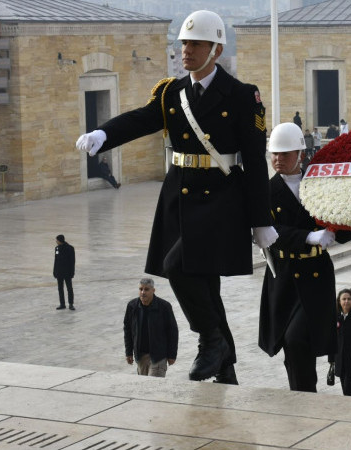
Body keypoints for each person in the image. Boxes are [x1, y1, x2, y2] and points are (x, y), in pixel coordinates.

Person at [75, 10, 277, 383]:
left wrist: (261, 219)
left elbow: (254, 159)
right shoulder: (172, 92)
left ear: (216, 49)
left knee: (175, 265)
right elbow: (140, 119)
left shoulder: (242, 95)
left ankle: (209, 339)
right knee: (206, 288)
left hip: (221, 199)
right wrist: (104, 134)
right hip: (179, 198)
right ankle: (225, 368)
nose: (186, 50)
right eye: (184, 43)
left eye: (196, 43)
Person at [259, 123, 351, 392]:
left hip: (316, 274)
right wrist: (308, 237)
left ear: (301, 154)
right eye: (274, 155)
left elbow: (341, 216)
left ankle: (304, 395)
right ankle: (303, 395)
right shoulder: (265, 191)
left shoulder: (318, 183)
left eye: (285, 154)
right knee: (292, 342)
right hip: (285, 274)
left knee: (301, 340)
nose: (278, 160)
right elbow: (266, 229)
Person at [123, 278, 179, 377]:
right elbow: (128, 330)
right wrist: (128, 352)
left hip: (158, 356)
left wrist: (172, 355)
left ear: (153, 290)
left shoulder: (164, 306)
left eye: (146, 289)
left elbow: (172, 331)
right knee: (143, 387)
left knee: (153, 387)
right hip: (140, 356)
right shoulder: (132, 306)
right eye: (141, 289)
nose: (143, 292)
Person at [331, 288, 351, 396]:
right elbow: (332, 340)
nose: (346, 301)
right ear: (339, 302)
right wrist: (331, 360)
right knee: (345, 391)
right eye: (344, 299)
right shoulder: (336, 318)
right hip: (340, 362)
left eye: (349, 299)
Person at [53, 234, 75, 310]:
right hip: (59, 272)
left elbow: (72, 262)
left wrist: (72, 272)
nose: (56, 241)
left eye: (57, 240)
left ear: (60, 240)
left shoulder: (70, 248)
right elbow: (56, 261)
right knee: (60, 288)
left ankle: (71, 304)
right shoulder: (57, 249)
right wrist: (55, 271)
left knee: (69, 288)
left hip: (67, 272)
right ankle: (62, 304)